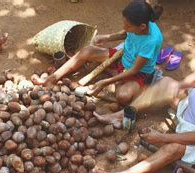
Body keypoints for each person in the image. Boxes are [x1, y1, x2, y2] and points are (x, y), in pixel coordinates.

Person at [32, 0, 163, 106]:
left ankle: (125, 79)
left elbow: (134, 70)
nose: (124, 27)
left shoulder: (151, 41)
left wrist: (105, 82)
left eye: (127, 25)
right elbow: (125, 33)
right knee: (86, 51)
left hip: (137, 71)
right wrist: (106, 37)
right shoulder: (137, 25)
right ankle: (52, 78)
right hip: (121, 56)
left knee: (123, 96)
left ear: (142, 27)